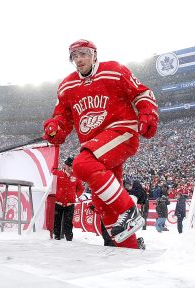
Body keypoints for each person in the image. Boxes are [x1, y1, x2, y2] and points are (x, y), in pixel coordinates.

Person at [43, 39, 159, 249]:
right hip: (96, 146)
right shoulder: (67, 85)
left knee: (81, 164)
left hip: (120, 131)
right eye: (75, 56)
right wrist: (55, 128)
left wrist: (147, 112)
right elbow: (62, 117)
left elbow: (141, 92)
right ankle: (129, 249)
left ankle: (130, 210)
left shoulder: (114, 70)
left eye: (84, 54)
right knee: (102, 203)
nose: (79, 59)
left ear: (95, 54)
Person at [52, 156, 84, 241]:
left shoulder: (76, 176)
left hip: (70, 204)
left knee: (68, 223)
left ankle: (69, 239)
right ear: (65, 165)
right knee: (56, 222)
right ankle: (56, 238)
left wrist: (76, 196)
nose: (70, 168)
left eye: (71, 166)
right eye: (68, 166)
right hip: (58, 203)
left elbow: (81, 188)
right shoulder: (58, 174)